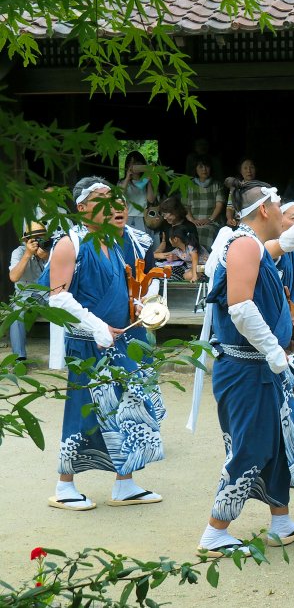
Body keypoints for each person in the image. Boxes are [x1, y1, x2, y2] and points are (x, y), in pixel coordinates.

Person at [196, 177, 294, 556]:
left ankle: (281, 520)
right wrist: (273, 351)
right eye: (280, 202)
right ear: (265, 209)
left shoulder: (255, 245)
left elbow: (292, 239)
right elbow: (240, 307)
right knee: (251, 446)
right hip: (246, 368)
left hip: (260, 367)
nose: (285, 209)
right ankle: (215, 532)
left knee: (278, 443)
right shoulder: (242, 246)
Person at [41, 177, 165, 511]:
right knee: (82, 411)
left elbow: (119, 289)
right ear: (81, 207)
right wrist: (96, 326)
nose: (112, 204)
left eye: (114, 198)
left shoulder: (113, 243)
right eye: (101, 198)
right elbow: (57, 298)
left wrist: (141, 308)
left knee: (129, 407)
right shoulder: (71, 242)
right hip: (87, 343)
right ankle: (64, 485)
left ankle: (125, 482)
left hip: (120, 339)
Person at [7, 222, 50, 360]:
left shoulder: (51, 250)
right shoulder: (18, 252)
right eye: (35, 239)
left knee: (65, 306)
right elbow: (13, 277)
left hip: (48, 294)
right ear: (26, 241)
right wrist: (27, 254)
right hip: (24, 294)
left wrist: (48, 258)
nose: (38, 242)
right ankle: (19, 357)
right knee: (17, 313)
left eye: (41, 238)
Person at [185, 155, 225, 250]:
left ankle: (206, 259)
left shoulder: (217, 185)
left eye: (207, 166)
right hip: (193, 221)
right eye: (200, 167)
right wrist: (192, 220)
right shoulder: (189, 185)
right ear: (195, 169)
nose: (204, 169)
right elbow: (185, 207)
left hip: (212, 222)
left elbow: (219, 204)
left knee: (206, 230)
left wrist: (210, 219)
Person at [118, 151, 156, 232]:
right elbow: (119, 196)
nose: (135, 166)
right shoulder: (122, 182)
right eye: (131, 163)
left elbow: (151, 200)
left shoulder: (145, 181)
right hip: (127, 217)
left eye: (137, 163)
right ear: (128, 165)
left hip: (143, 217)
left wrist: (149, 181)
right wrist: (128, 177)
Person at [225, 159, 258, 227]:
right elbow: (230, 207)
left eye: (251, 167)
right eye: (245, 168)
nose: (249, 171)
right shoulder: (235, 188)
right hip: (237, 223)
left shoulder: (261, 188)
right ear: (240, 171)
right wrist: (230, 219)